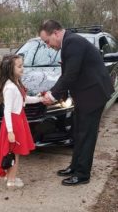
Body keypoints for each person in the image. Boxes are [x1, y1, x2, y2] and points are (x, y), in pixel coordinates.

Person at [39, 19, 114, 186]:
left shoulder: (73, 43)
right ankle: (74, 166)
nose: (48, 45)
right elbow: (68, 73)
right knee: (78, 131)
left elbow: (70, 75)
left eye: (47, 41)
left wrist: (51, 96)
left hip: (93, 95)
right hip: (84, 95)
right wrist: (57, 94)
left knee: (86, 135)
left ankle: (82, 174)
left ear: (56, 33)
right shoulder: (69, 43)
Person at [0, 54, 44, 188]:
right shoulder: (10, 88)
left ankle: (10, 176)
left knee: (12, 151)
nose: (22, 68)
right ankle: (11, 181)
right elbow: (7, 110)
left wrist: (39, 99)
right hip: (14, 123)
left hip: (18, 119)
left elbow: (25, 99)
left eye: (22, 65)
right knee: (14, 153)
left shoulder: (16, 84)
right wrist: (10, 131)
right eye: (19, 66)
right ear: (10, 68)